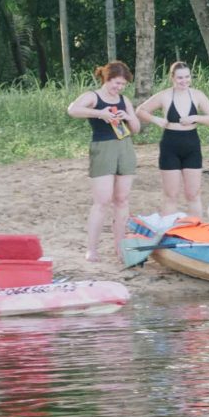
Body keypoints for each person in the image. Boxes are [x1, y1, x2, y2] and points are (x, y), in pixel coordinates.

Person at [67, 61, 140, 265]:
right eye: (116, 83)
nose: (119, 87)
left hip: (125, 147)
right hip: (102, 147)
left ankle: (120, 247)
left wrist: (127, 116)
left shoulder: (124, 100)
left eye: (123, 84)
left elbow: (136, 128)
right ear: (107, 79)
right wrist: (101, 114)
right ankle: (92, 249)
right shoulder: (93, 96)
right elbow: (73, 110)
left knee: (122, 199)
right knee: (102, 201)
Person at [138, 61, 209, 221]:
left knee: (193, 193)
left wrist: (196, 117)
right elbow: (141, 110)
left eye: (187, 77)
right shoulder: (164, 95)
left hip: (191, 144)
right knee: (171, 194)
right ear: (172, 78)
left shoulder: (197, 95)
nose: (184, 81)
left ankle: (195, 231)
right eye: (179, 78)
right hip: (170, 145)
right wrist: (156, 120)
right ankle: (169, 232)